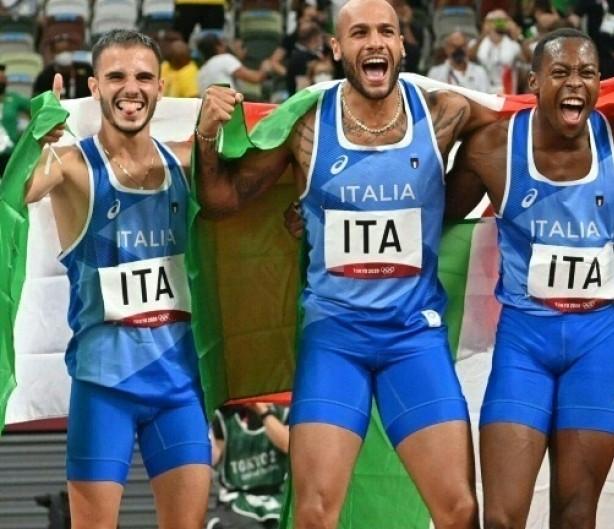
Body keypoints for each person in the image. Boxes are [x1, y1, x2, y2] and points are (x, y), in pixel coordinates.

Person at [195, 0, 504, 526]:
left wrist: (454, 197)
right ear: (338, 48)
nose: (375, 41)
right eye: (360, 33)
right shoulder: (307, 123)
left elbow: (515, 126)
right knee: (316, 514)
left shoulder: (444, 112)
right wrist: (207, 137)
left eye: (386, 31)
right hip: (335, 339)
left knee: (459, 510)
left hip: (413, 337)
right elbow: (223, 200)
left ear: (402, 44)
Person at [444, 28, 614, 529]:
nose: (574, 83)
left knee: (577, 518)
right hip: (524, 344)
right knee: (502, 519)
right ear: (534, 82)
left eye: (587, 73)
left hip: (595, 346)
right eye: (560, 72)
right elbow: (430, 212)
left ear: (600, 83)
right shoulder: (492, 149)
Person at [23, 30, 211, 528]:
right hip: (105, 387)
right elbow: (17, 193)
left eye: (144, 76)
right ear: (95, 87)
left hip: (178, 386)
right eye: (117, 76)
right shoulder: (70, 166)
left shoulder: (187, 161)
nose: (132, 88)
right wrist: (35, 140)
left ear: (160, 88)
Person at [207, 403, 290, 529]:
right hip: (237, 497)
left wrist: (262, 410)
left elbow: (289, 446)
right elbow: (212, 459)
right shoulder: (224, 417)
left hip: (277, 495)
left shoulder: (282, 411)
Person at [471, 9, 527, 94]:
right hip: (484, 92)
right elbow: (470, 58)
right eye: (493, 21)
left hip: (508, 92)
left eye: (502, 20)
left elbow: (528, 60)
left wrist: (517, 36)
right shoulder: (479, 43)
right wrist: (483, 33)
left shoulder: (513, 44)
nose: (498, 23)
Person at [196, 34, 271, 96]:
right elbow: (256, 78)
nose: (225, 46)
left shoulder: (201, 71)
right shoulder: (224, 58)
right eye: (222, 44)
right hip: (228, 107)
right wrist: (265, 67)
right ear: (218, 47)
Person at [428, 30, 492, 93]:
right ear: (447, 48)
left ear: (467, 47)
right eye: (454, 47)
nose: (459, 51)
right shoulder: (435, 73)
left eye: (462, 46)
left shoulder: (480, 72)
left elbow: (486, 96)